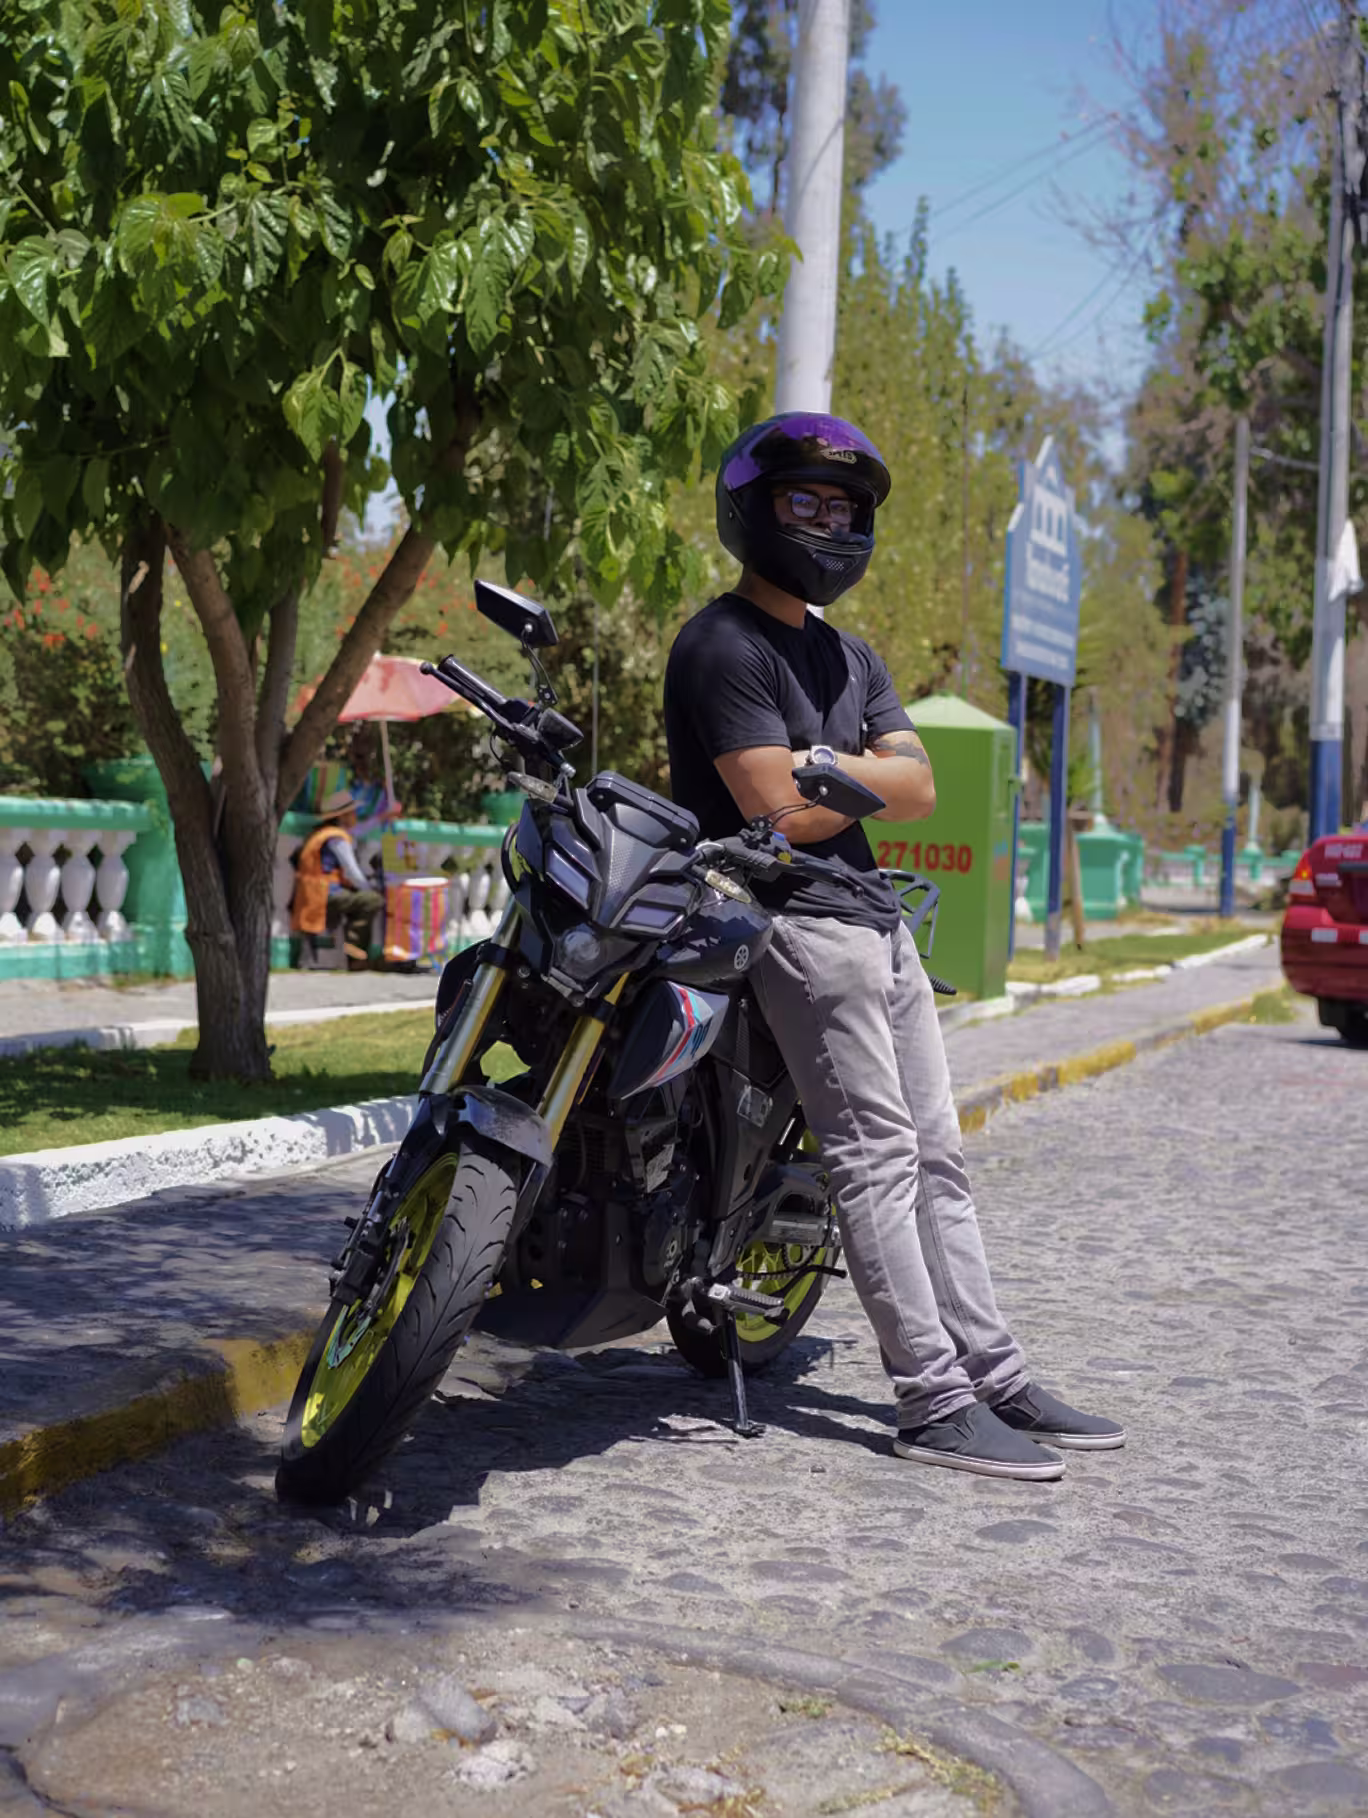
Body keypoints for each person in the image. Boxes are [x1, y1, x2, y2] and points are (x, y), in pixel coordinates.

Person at [663, 412, 1124, 1481]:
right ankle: (931, 1398)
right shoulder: (724, 644)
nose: (828, 523)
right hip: (793, 923)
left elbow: (919, 787)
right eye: (805, 501)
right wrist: (845, 775)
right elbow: (776, 812)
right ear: (753, 508)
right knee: (872, 1156)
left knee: (937, 1156)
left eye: (844, 508)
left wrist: (827, 772)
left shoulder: (851, 654)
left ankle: (994, 1373)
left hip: (876, 917)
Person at [291, 788, 383, 969]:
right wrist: (369, 888)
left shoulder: (322, 833)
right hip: (325, 893)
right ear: (343, 816)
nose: (355, 816)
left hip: (310, 891)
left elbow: (360, 830)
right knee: (372, 900)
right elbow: (352, 872)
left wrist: (384, 817)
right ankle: (354, 951)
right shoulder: (337, 838)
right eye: (353, 812)